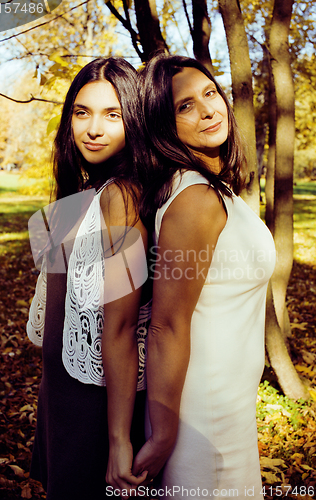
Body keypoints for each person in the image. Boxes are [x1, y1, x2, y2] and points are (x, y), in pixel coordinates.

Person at [132, 54, 276, 499]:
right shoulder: (195, 200)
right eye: (185, 106)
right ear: (162, 124)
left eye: (210, 94)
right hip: (203, 414)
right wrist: (162, 436)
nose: (209, 109)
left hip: (228, 407)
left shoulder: (210, 188)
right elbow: (166, 324)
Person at [27, 57, 151, 499]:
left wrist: (119, 442)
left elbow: (119, 328)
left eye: (112, 114)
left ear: (135, 120)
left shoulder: (123, 197)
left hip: (96, 407)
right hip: (60, 396)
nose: (93, 129)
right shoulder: (81, 196)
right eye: (82, 112)